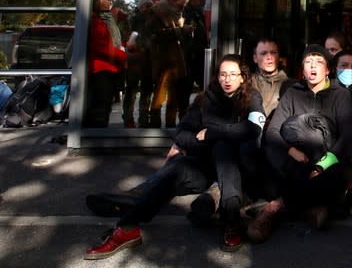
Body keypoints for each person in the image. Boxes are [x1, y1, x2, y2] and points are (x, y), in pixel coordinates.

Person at [84, 54, 266, 258]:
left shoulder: (252, 98)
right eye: (223, 74)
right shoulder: (204, 100)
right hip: (204, 165)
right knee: (175, 171)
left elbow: (253, 129)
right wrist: (205, 141)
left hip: (235, 167)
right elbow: (182, 133)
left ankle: (231, 222)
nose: (227, 79)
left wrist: (213, 133)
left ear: (242, 77)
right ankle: (127, 228)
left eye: (233, 74)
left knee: (224, 150)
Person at [247, 45, 352, 243]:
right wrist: (291, 151)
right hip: (299, 161)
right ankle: (313, 208)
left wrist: (322, 164)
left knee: (343, 149)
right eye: (308, 62)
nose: (313, 66)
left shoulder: (340, 94)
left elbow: (347, 135)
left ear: (328, 69)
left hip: (330, 161)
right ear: (302, 68)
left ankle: (275, 207)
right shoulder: (292, 93)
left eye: (319, 62)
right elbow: (274, 131)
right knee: (274, 149)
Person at [145, 0, 192, 128]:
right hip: (162, 60)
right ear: (172, 1)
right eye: (180, 5)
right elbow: (156, 36)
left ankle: (170, 124)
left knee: (174, 96)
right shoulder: (158, 12)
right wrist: (181, 31)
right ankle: (155, 125)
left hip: (175, 61)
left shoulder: (175, 14)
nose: (182, 8)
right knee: (160, 95)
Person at [85, 0, 128, 128]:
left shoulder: (104, 19)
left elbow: (110, 42)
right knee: (100, 106)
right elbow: (102, 46)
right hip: (100, 68)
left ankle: (97, 134)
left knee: (104, 105)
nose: (109, 1)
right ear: (95, 0)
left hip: (108, 66)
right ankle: (95, 137)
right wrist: (123, 55)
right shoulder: (95, 20)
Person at [123, 0, 153, 128]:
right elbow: (130, 39)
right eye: (146, 6)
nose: (148, 8)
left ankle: (140, 118)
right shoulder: (134, 20)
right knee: (133, 90)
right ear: (141, 7)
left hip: (142, 60)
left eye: (149, 6)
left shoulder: (144, 19)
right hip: (136, 60)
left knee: (142, 90)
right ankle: (132, 118)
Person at [250, 38, 289, 124]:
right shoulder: (247, 83)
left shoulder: (288, 86)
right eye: (264, 53)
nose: (269, 57)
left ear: (278, 56)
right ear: (255, 58)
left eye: (273, 53)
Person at [182, 0, 209, 90]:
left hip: (200, 55)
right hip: (190, 56)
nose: (205, 0)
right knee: (186, 87)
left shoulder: (199, 12)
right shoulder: (185, 12)